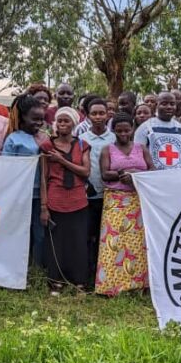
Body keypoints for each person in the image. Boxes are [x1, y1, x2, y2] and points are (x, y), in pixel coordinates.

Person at [95, 112, 154, 295]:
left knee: (137, 243)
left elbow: (152, 169)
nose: (123, 134)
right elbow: (105, 173)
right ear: (113, 130)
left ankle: (138, 284)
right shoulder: (107, 149)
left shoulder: (141, 148)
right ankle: (111, 285)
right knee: (114, 241)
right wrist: (124, 173)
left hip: (138, 200)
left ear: (132, 130)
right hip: (115, 200)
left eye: (126, 130)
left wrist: (136, 174)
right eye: (119, 130)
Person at [40, 107, 92, 294]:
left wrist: (61, 160)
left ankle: (79, 281)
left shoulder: (82, 145)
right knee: (57, 242)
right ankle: (56, 280)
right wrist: (44, 206)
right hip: (55, 199)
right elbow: (44, 177)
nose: (62, 124)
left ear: (73, 123)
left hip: (78, 200)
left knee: (78, 241)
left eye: (66, 121)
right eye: (59, 121)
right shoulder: (47, 146)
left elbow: (85, 172)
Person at [3, 94, 48, 267]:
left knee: (39, 233)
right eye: (34, 119)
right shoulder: (13, 139)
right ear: (23, 117)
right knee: (19, 231)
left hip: (40, 195)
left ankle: (37, 268)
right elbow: (6, 167)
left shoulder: (45, 137)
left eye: (41, 120)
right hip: (20, 194)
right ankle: (17, 266)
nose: (38, 123)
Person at [79, 99, 116, 280]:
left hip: (110, 195)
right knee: (88, 234)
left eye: (102, 113)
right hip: (88, 195)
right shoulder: (82, 138)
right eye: (94, 113)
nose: (98, 117)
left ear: (108, 114)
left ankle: (105, 274)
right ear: (88, 116)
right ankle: (88, 272)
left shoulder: (115, 137)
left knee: (106, 235)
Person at [134, 92, 181, 170]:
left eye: (172, 104)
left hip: (178, 179)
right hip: (154, 179)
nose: (169, 107)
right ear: (156, 105)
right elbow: (136, 157)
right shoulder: (145, 128)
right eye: (164, 103)